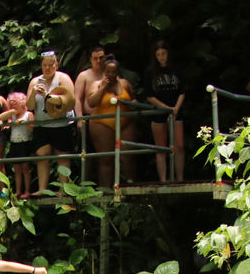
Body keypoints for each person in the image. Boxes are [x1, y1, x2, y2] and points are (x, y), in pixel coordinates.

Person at [28, 50, 77, 193]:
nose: (47, 68)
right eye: (44, 65)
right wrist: (33, 93)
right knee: (42, 155)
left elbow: (68, 101)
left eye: (50, 65)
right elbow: (30, 106)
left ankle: (64, 189)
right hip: (42, 125)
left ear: (56, 65)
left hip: (62, 124)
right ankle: (42, 189)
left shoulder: (63, 78)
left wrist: (47, 96)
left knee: (62, 155)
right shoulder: (35, 81)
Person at [85, 54, 137, 187]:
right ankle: (106, 189)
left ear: (117, 72)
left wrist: (132, 103)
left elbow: (134, 99)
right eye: (108, 71)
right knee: (106, 158)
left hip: (124, 122)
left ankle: (131, 185)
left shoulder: (124, 83)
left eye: (113, 71)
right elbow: (91, 102)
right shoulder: (96, 85)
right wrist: (102, 88)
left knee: (128, 156)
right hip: (102, 124)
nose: (111, 74)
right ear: (104, 72)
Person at [144, 40, 186, 182]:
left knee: (179, 145)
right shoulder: (151, 72)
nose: (162, 57)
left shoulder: (176, 70)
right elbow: (149, 95)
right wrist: (165, 108)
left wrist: (175, 109)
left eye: (164, 54)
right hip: (159, 111)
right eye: (158, 54)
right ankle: (163, 179)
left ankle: (180, 179)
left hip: (176, 110)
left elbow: (182, 91)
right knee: (161, 147)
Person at [0, 91, 35, 198]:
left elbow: (32, 127)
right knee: (17, 169)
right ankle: (18, 191)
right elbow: (1, 117)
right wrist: (12, 112)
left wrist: (24, 121)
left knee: (25, 168)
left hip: (24, 144)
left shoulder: (29, 114)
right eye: (11, 104)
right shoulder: (13, 116)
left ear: (22, 103)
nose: (13, 106)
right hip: (14, 144)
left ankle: (27, 191)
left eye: (15, 103)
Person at [73, 45, 107, 145]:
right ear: (91, 59)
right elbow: (77, 99)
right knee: (89, 153)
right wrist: (80, 119)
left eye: (101, 58)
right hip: (89, 118)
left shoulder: (110, 74)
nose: (98, 61)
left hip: (108, 116)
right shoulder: (84, 76)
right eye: (95, 58)